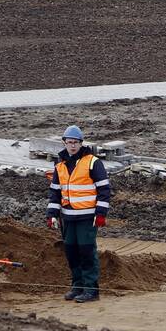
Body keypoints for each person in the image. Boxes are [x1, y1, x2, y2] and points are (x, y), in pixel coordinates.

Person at [47, 125, 111, 303]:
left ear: (81, 143)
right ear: (64, 143)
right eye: (69, 142)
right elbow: (55, 192)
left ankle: (91, 290)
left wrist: (101, 213)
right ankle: (77, 286)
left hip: (87, 217)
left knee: (86, 251)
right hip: (68, 217)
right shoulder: (60, 165)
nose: (72, 146)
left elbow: (104, 189)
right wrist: (52, 214)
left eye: (76, 143)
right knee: (72, 251)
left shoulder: (92, 162)